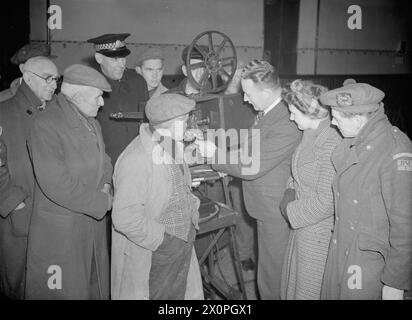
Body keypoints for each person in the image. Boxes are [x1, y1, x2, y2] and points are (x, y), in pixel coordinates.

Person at [196, 59, 302, 299]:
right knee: (267, 272)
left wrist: (213, 155)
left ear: (265, 92)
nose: (244, 99)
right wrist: (220, 157)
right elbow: (248, 153)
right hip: (265, 208)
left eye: (248, 94)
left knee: (274, 277)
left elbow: (251, 165)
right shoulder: (268, 113)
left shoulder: (286, 121)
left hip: (277, 211)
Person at [25, 64, 113, 299]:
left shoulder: (91, 121)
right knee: (65, 291)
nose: (102, 103)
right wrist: (103, 202)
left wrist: (106, 184)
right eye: (98, 96)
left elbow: (104, 159)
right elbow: (56, 184)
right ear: (78, 95)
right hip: (62, 233)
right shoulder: (45, 124)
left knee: (94, 287)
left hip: (91, 227)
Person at [320, 82, 412, 300]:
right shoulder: (355, 141)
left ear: (359, 119)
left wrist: (394, 282)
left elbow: (406, 225)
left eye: (337, 118)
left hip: (369, 263)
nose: (332, 122)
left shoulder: (395, 149)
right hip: (342, 249)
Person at [111, 93, 203, 300]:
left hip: (181, 239)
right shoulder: (135, 159)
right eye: (185, 120)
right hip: (158, 249)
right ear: (170, 123)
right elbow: (125, 218)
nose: (188, 125)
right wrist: (163, 241)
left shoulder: (167, 143)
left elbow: (174, 180)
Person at [0, 56, 59, 299]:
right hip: (20, 215)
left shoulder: (56, 112)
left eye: (56, 79)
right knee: (18, 283)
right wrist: (15, 202)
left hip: (52, 215)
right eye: (48, 79)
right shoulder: (4, 112)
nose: (54, 85)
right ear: (27, 77)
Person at [279, 79, 342, 300]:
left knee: (309, 292)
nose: (290, 117)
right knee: (295, 287)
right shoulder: (310, 133)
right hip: (303, 229)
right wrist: (289, 190)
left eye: (294, 112)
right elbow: (298, 171)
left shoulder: (332, 142)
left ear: (311, 112)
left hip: (319, 235)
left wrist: (289, 210)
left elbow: (328, 201)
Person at [87, 33, 149, 163]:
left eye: (123, 58)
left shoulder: (138, 82)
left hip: (139, 160)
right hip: (108, 163)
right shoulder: (90, 87)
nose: (122, 64)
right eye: (115, 59)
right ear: (99, 58)